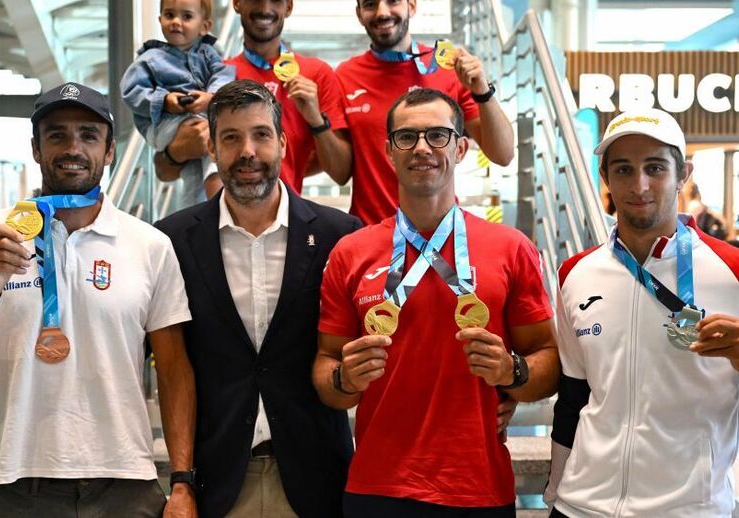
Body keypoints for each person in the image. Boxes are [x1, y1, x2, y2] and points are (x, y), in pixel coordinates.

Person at [545, 108, 739, 517]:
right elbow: (574, 396)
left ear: (683, 174)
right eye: (623, 170)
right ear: (605, 177)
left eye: (655, 168)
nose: (639, 185)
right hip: (580, 507)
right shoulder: (576, 274)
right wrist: (556, 493)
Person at [0, 83, 197, 517]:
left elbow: (173, 370)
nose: (73, 148)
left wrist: (183, 481)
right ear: (36, 149)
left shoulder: (150, 245)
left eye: (89, 135)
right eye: (57, 135)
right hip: (20, 484)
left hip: (127, 483)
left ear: (109, 151)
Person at [313, 88, 559, 517]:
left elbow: (549, 361)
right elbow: (325, 368)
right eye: (407, 137)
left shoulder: (511, 248)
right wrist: (344, 379)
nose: (422, 148)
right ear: (389, 151)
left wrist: (512, 371)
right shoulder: (351, 253)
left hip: (477, 487)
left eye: (438, 135)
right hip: (378, 486)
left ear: (460, 149)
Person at [155, 79, 361, 518]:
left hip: (318, 479)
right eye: (231, 138)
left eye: (261, 135)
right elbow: (163, 359)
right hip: (217, 482)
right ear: (212, 148)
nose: (247, 151)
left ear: (283, 143)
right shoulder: (172, 240)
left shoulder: (340, 235)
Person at [336, 0, 515, 225]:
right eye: (371, 4)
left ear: (411, 6)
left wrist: (483, 91)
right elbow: (338, 170)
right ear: (359, 14)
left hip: (440, 231)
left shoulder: (448, 68)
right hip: (371, 229)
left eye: (393, 1)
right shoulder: (344, 76)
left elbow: (503, 155)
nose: (382, 12)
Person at [158, 0, 352, 199]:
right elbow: (162, 172)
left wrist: (316, 122)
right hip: (223, 215)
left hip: (286, 214)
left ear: (288, 7)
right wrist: (178, 151)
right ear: (237, 3)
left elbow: (341, 173)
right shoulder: (212, 77)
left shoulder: (316, 75)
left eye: (275, 0)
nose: (265, 9)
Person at [121, 0, 236, 207]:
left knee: (194, 175)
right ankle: (219, 201)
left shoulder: (209, 53)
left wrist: (211, 97)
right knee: (216, 142)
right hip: (165, 123)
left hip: (196, 117)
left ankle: (196, 216)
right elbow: (131, 90)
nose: (176, 21)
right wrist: (164, 100)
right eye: (169, 15)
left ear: (205, 26)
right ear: (160, 20)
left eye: (187, 16)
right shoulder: (150, 58)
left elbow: (224, 75)